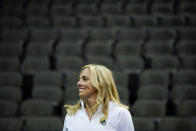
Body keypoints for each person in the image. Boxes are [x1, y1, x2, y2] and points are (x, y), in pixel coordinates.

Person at [63, 64, 134, 131]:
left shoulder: (120, 114)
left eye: (85, 79)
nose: (78, 83)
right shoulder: (71, 114)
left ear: (100, 83)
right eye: (80, 79)